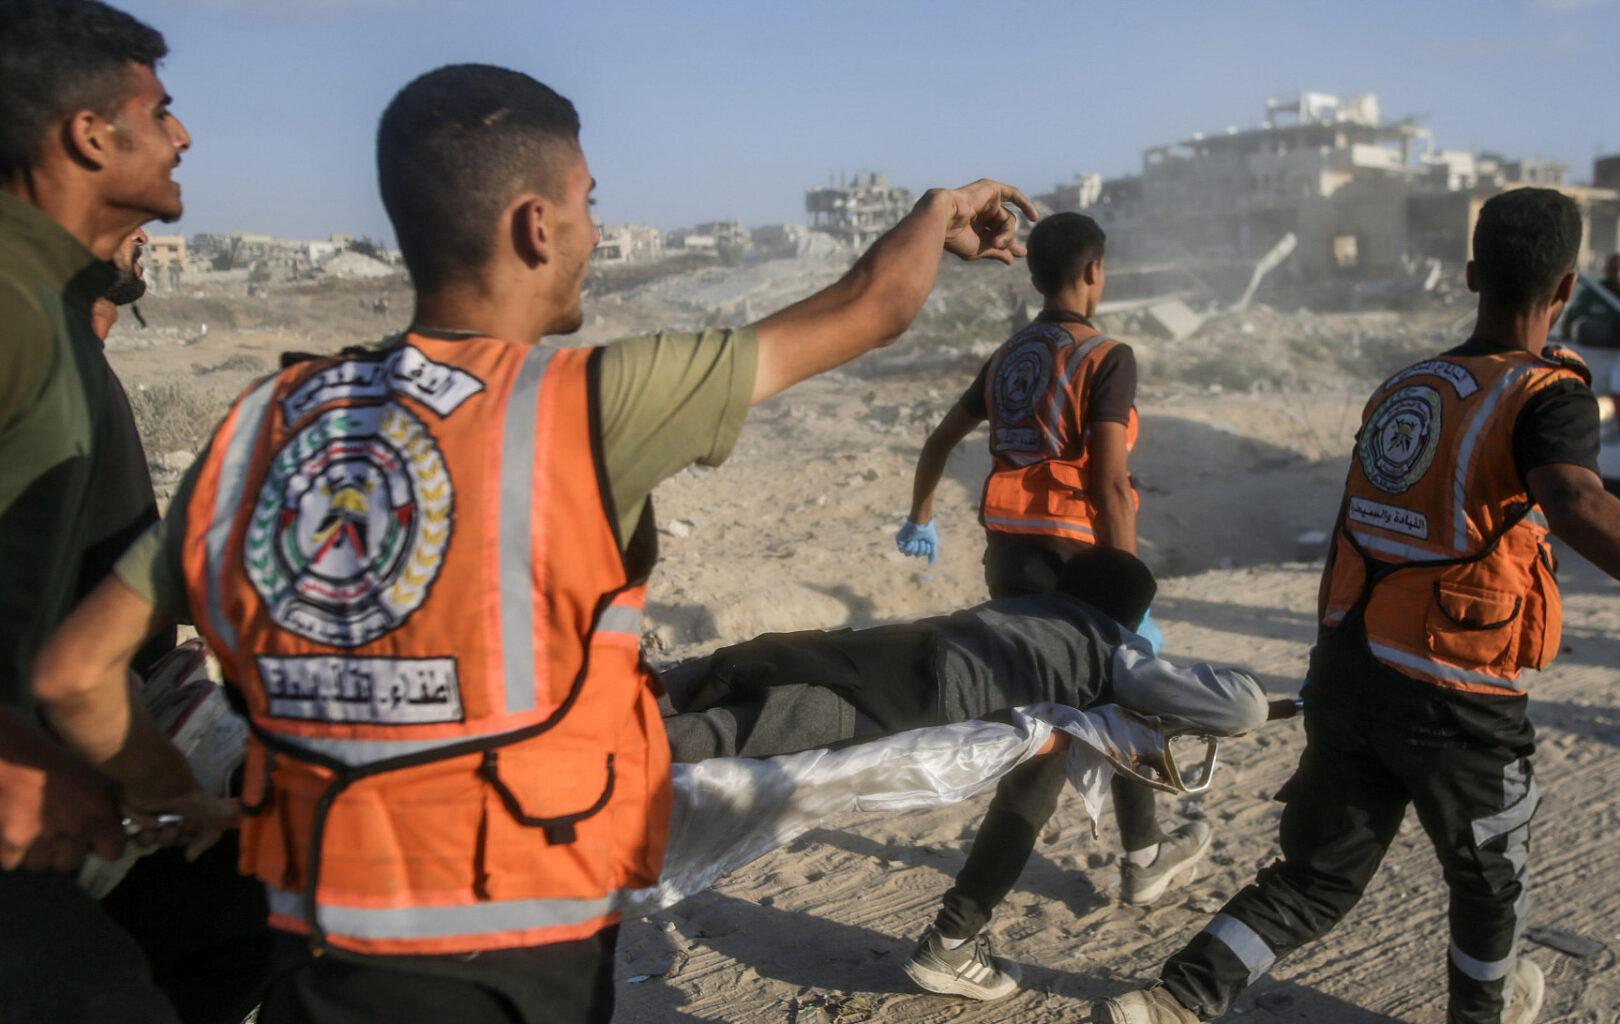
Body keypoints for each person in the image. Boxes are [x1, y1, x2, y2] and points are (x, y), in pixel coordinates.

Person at [28, 62, 1037, 1024]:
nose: (598, 231)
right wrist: (939, 209)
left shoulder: (268, 421)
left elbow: (78, 675)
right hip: (513, 961)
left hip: (320, 951)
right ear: (535, 225)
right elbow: (872, 304)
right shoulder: (582, 408)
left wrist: (180, 799)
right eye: (590, 203)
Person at [1097, 188, 1620, 1024]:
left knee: (1318, 876)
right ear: (1569, 288)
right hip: (1456, 693)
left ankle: (1171, 1000)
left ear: (1472, 273)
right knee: (1489, 881)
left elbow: (1353, 525)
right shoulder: (1549, 394)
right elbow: (1576, 502)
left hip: (1353, 668)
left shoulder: (1411, 385)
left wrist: (1331, 661)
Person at [893, 211, 1204, 1001]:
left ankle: (1142, 859)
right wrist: (1127, 590)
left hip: (1012, 564)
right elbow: (1106, 484)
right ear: (1094, 271)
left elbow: (940, 440)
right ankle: (953, 936)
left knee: (1113, 702)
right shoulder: (1106, 357)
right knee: (1053, 743)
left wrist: (921, 516)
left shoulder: (1011, 357)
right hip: (1080, 573)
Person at [0, 4, 237, 1022]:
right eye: (161, 110)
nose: (182, 136)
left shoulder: (50, 305)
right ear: (90, 135)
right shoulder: (11, 306)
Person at [657, 548, 1267, 763]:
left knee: (753, 660)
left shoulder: (1039, 606)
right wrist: (1143, 655)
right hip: (926, 690)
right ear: (1128, 619)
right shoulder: (1115, 652)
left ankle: (629, 693)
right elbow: (1244, 710)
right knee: (754, 727)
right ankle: (614, 754)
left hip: (902, 640)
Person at [1559, 252, 1620, 345]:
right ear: (1606, 270)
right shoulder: (1593, 291)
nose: (1618, 274)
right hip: (1595, 351)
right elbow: (1569, 320)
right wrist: (1568, 344)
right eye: (1613, 270)